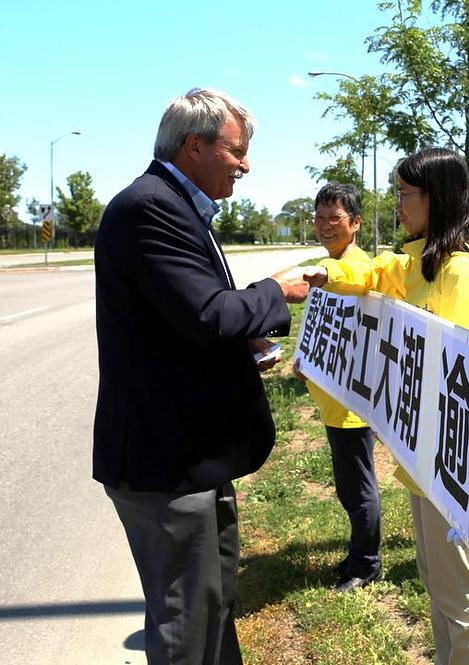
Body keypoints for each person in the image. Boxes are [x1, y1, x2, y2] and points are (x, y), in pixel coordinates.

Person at [94, 88, 310, 664]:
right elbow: (208, 314)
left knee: (211, 607)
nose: (246, 165)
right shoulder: (150, 207)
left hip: (193, 455)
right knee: (185, 625)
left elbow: (179, 321)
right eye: (238, 151)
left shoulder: (175, 205)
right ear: (195, 145)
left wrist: (246, 341)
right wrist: (278, 293)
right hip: (166, 462)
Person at [304, 147, 469, 665]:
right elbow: (372, 275)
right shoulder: (418, 260)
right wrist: (331, 277)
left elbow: (463, 376)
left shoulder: (458, 274)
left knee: (457, 593)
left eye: (405, 194)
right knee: (435, 581)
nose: (397, 204)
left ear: (435, 198)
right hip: (422, 456)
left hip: (448, 460)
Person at [293, 183, 382, 593]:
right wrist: (305, 360)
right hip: (332, 401)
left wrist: (329, 276)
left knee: (359, 488)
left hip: (351, 406)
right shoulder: (327, 266)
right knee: (348, 487)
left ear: (356, 223)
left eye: (335, 218)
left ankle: (366, 564)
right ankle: (357, 554)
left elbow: (359, 286)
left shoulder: (353, 268)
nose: (325, 226)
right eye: (319, 217)